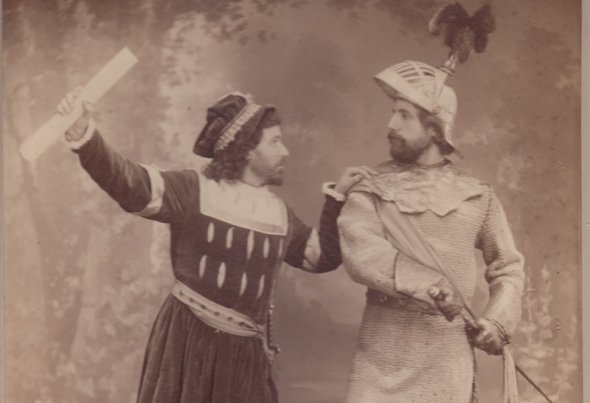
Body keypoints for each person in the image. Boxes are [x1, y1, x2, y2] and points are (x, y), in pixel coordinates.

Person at [57, 89, 372, 403]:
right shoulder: (194, 190)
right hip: (188, 343)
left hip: (246, 358)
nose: (285, 151)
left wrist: (337, 198)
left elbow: (320, 257)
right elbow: (130, 182)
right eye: (275, 142)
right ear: (247, 151)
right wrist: (86, 136)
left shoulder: (278, 213)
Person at [337, 59, 525, 403]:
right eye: (393, 113)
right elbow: (360, 252)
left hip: (446, 358)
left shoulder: (477, 196)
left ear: (436, 129)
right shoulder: (371, 187)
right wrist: (430, 284)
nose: (391, 124)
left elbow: (508, 268)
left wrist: (496, 322)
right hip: (381, 355)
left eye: (404, 115)